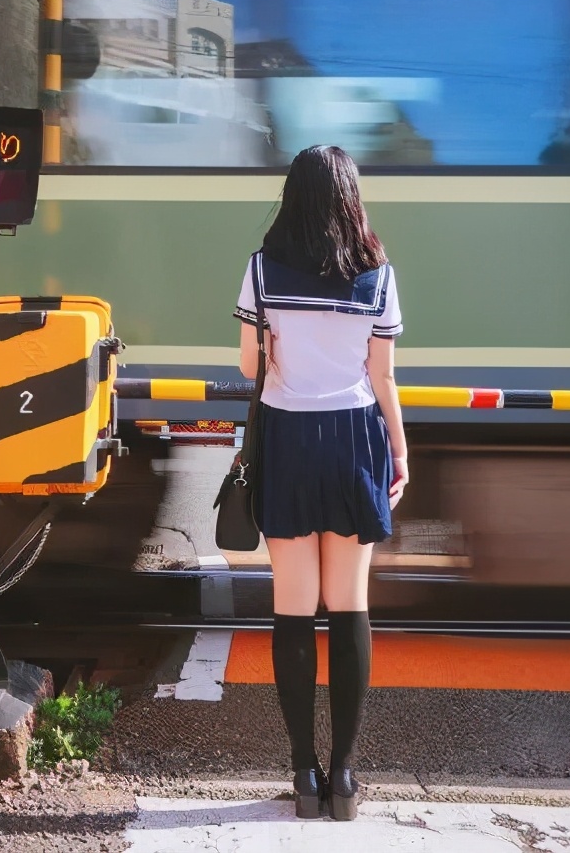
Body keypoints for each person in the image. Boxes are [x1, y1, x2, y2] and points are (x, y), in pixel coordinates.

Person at [232, 144, 408, 821]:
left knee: (294, 608)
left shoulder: (261, 271)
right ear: (350, 200)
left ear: (292, 197)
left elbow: (250, 360)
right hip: (355, 438)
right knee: (350, 605)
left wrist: (279, 346)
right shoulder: (378, 274)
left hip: (287, 437)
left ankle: (303, 772)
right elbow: (384, 375)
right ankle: (344, 777)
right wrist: (399, 449)